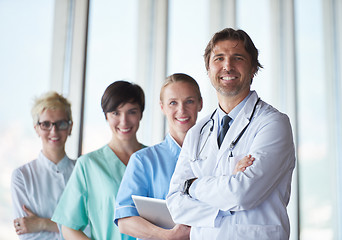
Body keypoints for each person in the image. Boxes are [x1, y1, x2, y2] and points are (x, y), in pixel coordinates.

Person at [166, 28, 296, 240]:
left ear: (253, 68)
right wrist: (227, 192)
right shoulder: (197, 132)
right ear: (208, 68)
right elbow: (175, 204)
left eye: (238, 58)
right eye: (219, 58)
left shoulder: (273, 124)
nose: (227, 66)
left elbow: (241, 193)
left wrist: (191, 185)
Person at [114, 73, 254, 240]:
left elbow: (234, 199)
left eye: (189, 101)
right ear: (162, 107)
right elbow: (124, 220)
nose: (181, 110)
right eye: (173, 103)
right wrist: (168, 236)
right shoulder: (143, 161)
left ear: (200, 104)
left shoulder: (222, 154)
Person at [52, 81, 145, 240]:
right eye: (116, 113)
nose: (124, 121)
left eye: (131, 112)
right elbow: (68, 227)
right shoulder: (89, 165)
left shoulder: (155, 160)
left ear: (141, 114)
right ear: (106, 116)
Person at [11, 91, 75, 239]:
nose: (54, 131)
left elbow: (92, 228)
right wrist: (71, 230)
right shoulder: (22, 176)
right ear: (36, 129)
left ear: (70, 127)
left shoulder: (83, 171)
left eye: (61, 123)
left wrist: (42, 224)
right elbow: (27, 235)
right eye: (46, 124)